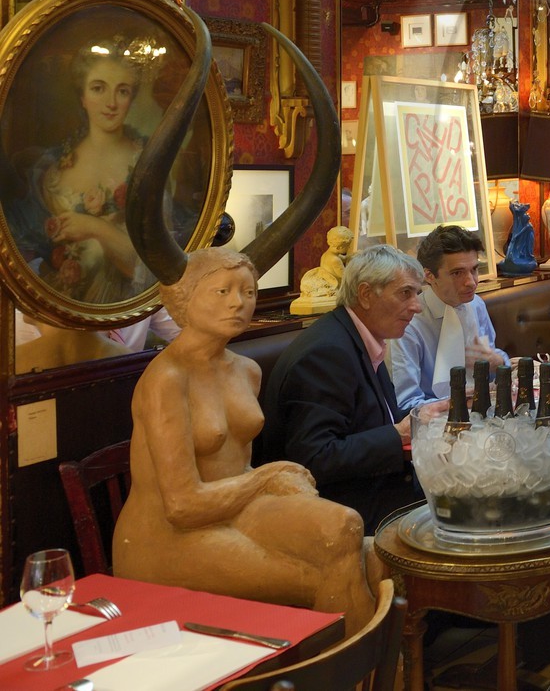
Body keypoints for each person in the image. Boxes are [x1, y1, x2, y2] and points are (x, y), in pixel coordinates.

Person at [112, 248, 380, 634]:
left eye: (249, 292)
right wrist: (265, 479)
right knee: (336, 572)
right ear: (185, 298)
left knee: (347, 527)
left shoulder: (247, 371)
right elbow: (182, 506)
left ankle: (358, 672)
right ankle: (352, 674)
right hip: (166, 538)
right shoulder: (166, 380)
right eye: (222, 292)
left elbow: (238, 467)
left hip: (232, 510)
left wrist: (280, 484)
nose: (239, 303)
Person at [258, 244, 423, 533]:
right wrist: (399, 434)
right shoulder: (326, 353)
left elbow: (377, 420)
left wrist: (426, 417)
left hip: (377, 489)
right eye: (405, 293)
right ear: (366, 294)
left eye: (417, 295)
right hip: (341, 513)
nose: (416, 306)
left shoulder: (361, 337)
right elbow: (314, 458)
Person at [8, 37, 154, 304]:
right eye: (98, 88)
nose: (111, 102)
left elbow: (152, 266)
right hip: (53, 306)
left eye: (122, 91)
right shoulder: (52, 165)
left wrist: (95, 228)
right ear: (82, 97)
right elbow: (26, 246)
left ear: (131, 99)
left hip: (125, 308)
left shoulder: (148, 163)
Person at [387, 225, 508, 413]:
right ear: (429, 276)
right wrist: (458, 403)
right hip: (436, 425)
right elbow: (406, 404)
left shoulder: (476, 305)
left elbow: (493, 356)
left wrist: (499, 362)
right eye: (457, 273)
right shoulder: (408, 322)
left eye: (474, 269)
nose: (471, 281)